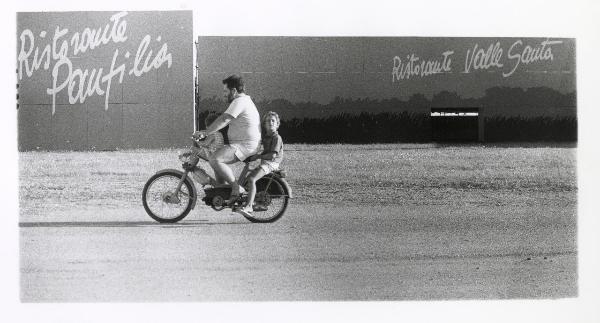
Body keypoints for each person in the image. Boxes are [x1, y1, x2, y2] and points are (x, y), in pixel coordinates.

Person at [194, 75, 261, 197]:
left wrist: (205, 133)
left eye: (225, 91)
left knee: (215, 159)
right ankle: (223, 193)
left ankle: (236, 187)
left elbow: (224, 119)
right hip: (243, 144)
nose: (224, 94)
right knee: (216, 157)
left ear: (234, 91)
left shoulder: (240, 101)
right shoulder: (243, 101)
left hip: (245, 146)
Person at [236, 111, 284, 216]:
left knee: (252, 179)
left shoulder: (276, 138)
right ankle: (253, 201)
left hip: (271, 163)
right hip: (265, 163)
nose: (270, 122)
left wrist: (258, 156)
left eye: (273, 121)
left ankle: (248, 207)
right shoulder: (266, 137)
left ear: (277, 124)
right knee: (247, 179)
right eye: (268, 121)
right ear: (264, 124)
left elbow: (272, 155)